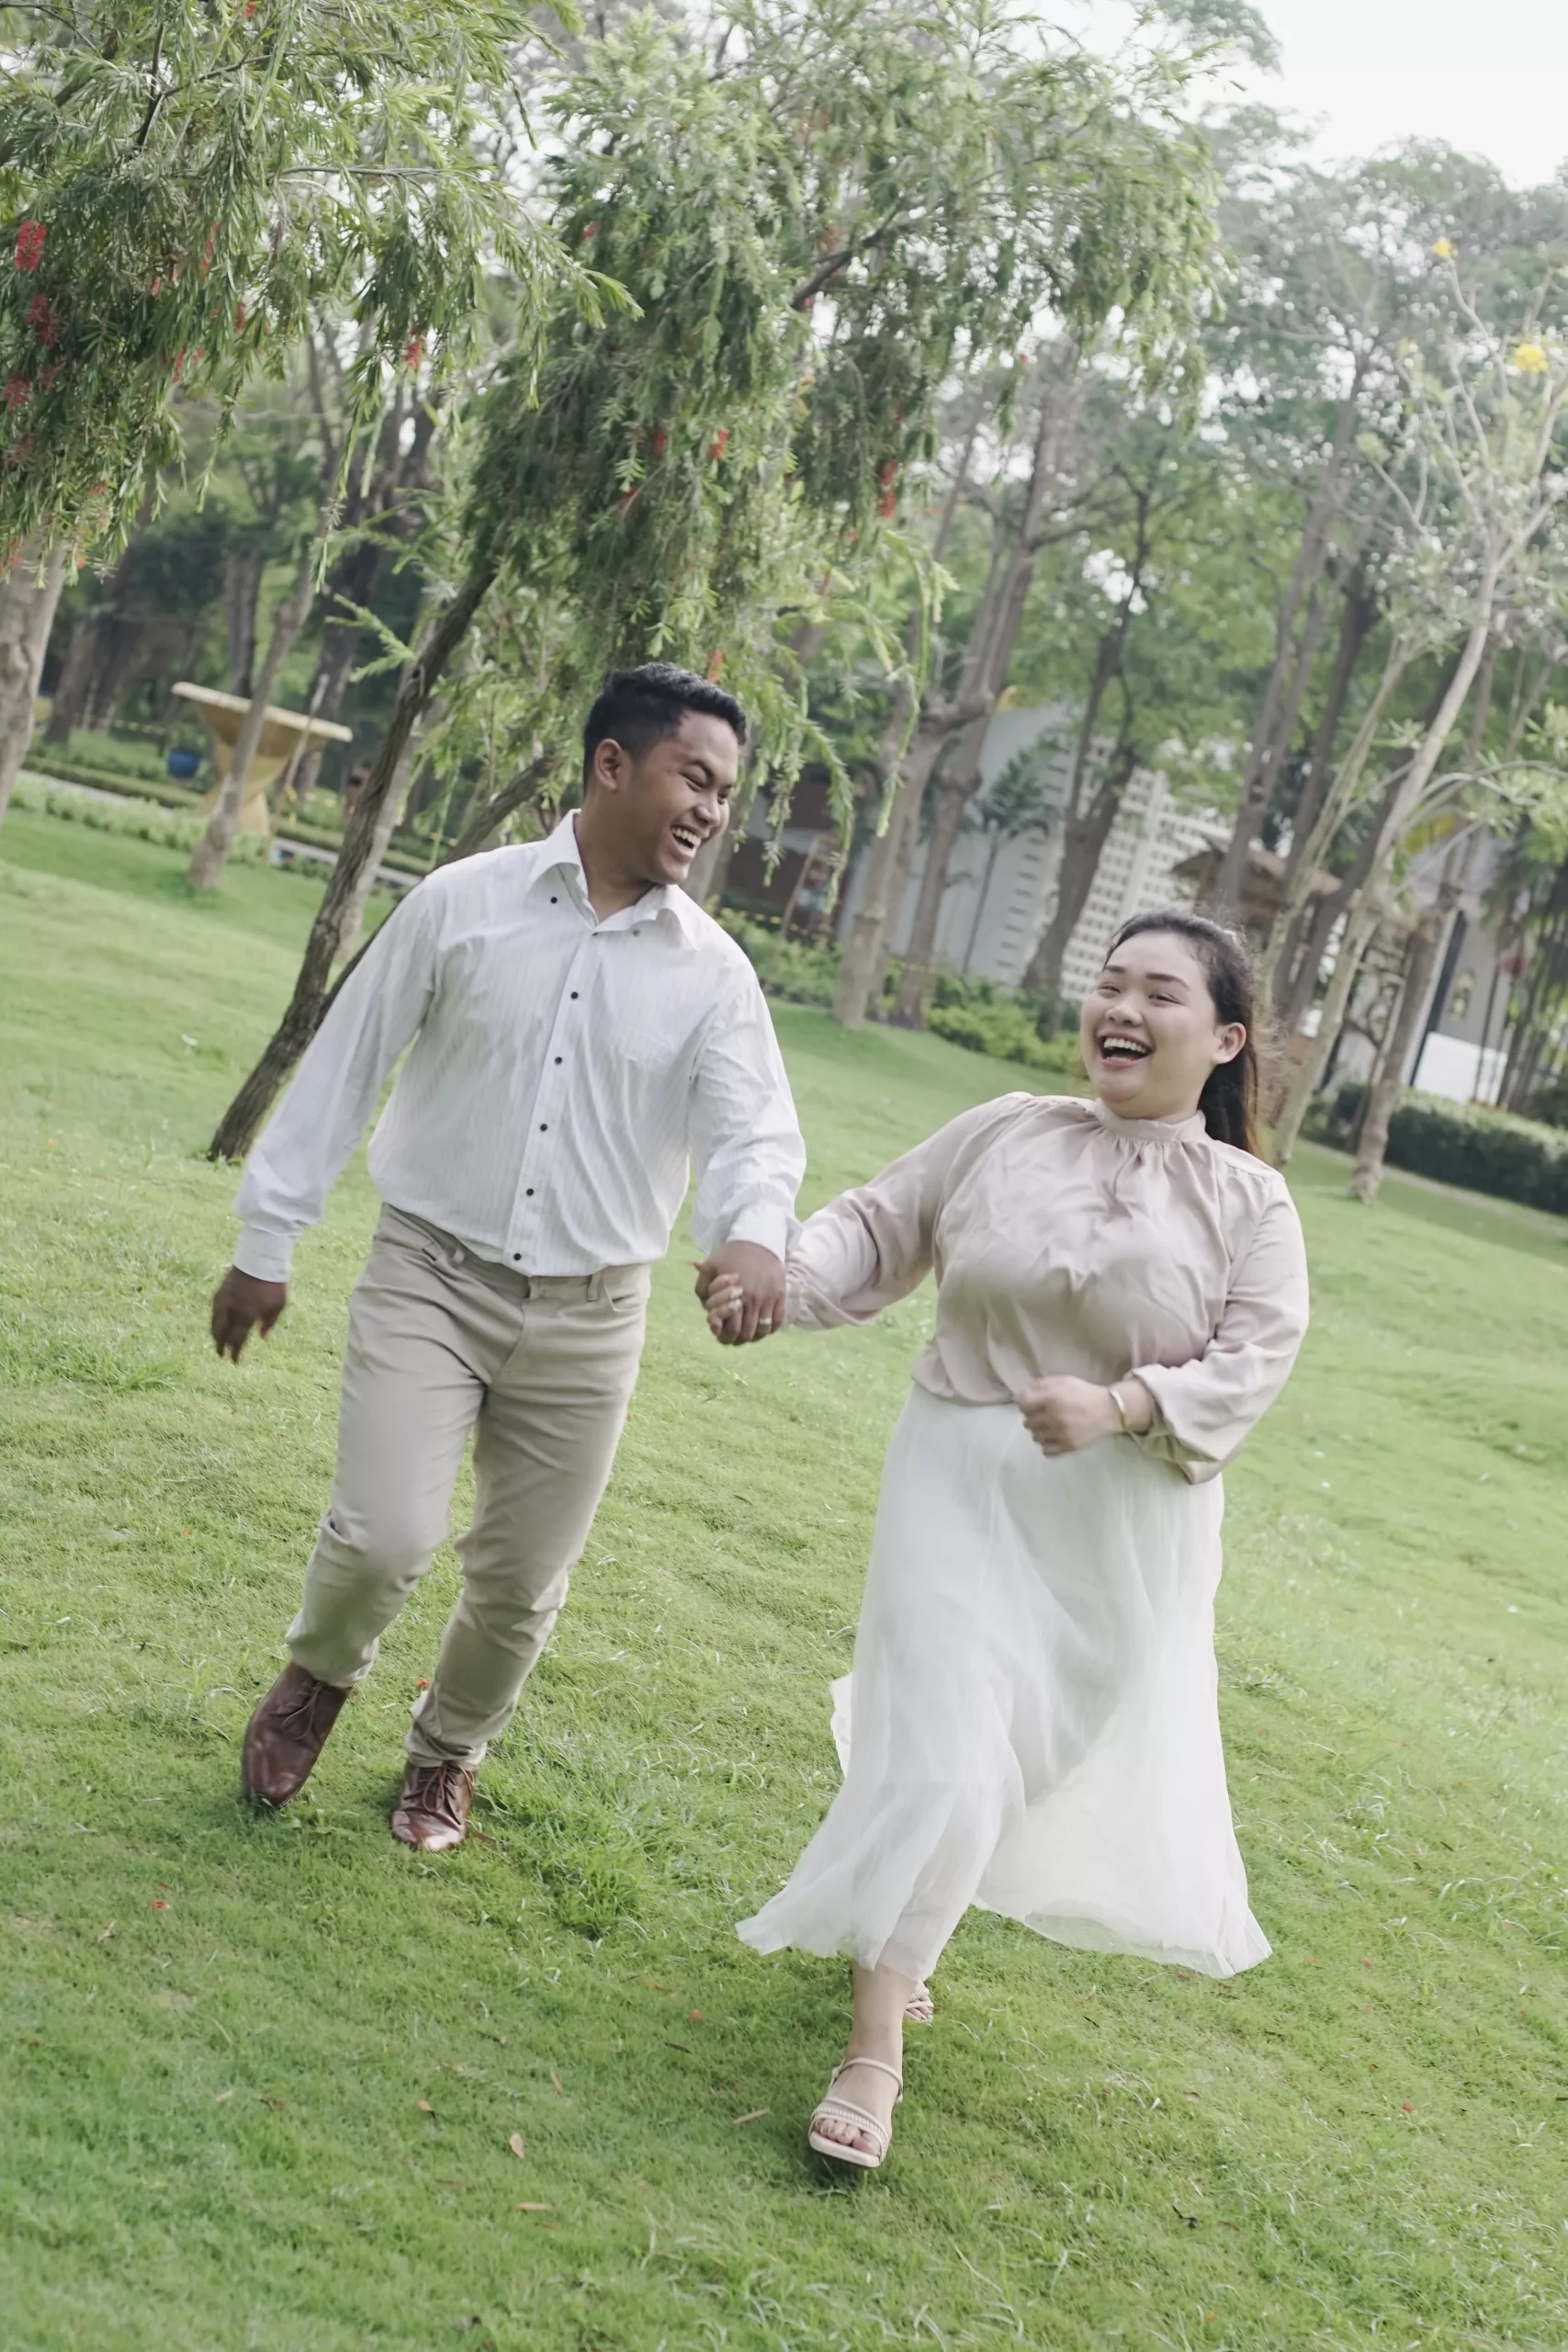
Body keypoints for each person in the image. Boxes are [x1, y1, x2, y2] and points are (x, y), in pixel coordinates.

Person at [702, 910, 1310, 2171]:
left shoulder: (1250, 1202)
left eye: (1160, 993)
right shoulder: (1006, 1129)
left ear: (1225, 1039)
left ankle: (907, 1927)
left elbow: (1254, 1361)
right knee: (947, 1761)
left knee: (1005, 1767)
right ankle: (874, 2042)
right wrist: (776, 1278)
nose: (1122, 1010)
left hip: (1114, 1532)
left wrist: (1121, 1405)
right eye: (1110, 983)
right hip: (955, 1480)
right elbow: (879, 1226)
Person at [212, 663, 805, 1852]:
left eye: (725, 793)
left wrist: (750, 1233)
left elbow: (753, 1130)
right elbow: (347, 1064)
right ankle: (318, 1678)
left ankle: (448, 1754)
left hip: (593, 1316)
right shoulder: (460, 902)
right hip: (429, 1276)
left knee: (523, 1582)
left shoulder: (713, 972)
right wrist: (267, 1240)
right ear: (610, 765)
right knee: (383, 1536)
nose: (711, 811)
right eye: (694, 778)